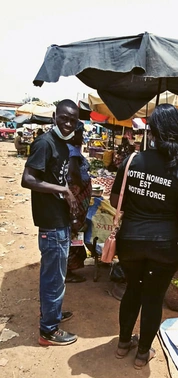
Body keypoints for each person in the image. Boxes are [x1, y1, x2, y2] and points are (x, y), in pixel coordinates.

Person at [110, 103, 178, 369]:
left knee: (133, 290)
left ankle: (123, 343)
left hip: (130, 242)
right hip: (165, 247)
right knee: (153, 297)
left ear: (152, 131)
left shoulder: (132, 161)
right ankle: (142, 354)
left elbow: (117, 201)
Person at [21, 99, 80, 346]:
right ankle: (48, 330)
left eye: (72, 120)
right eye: (64, 118)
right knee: (53, 277)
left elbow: (59, 177)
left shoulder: (63, 146)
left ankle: (51, 314)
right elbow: (27, 179)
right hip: (50, 222)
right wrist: (63, 191)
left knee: (55, 274)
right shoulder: (44, 143)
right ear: (55, 116)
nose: (67, 124)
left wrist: (70, 196)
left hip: (59, 219)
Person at [65, 121, 92, 283]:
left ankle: (68, 267)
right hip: (76, 200)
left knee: (74, 231)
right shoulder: (72, 150)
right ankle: (68, 269)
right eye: (81, 134)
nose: (82, 137)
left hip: (75, 199)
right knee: (74, 232)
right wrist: (81, 186)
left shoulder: (67, 148)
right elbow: (73, 172)